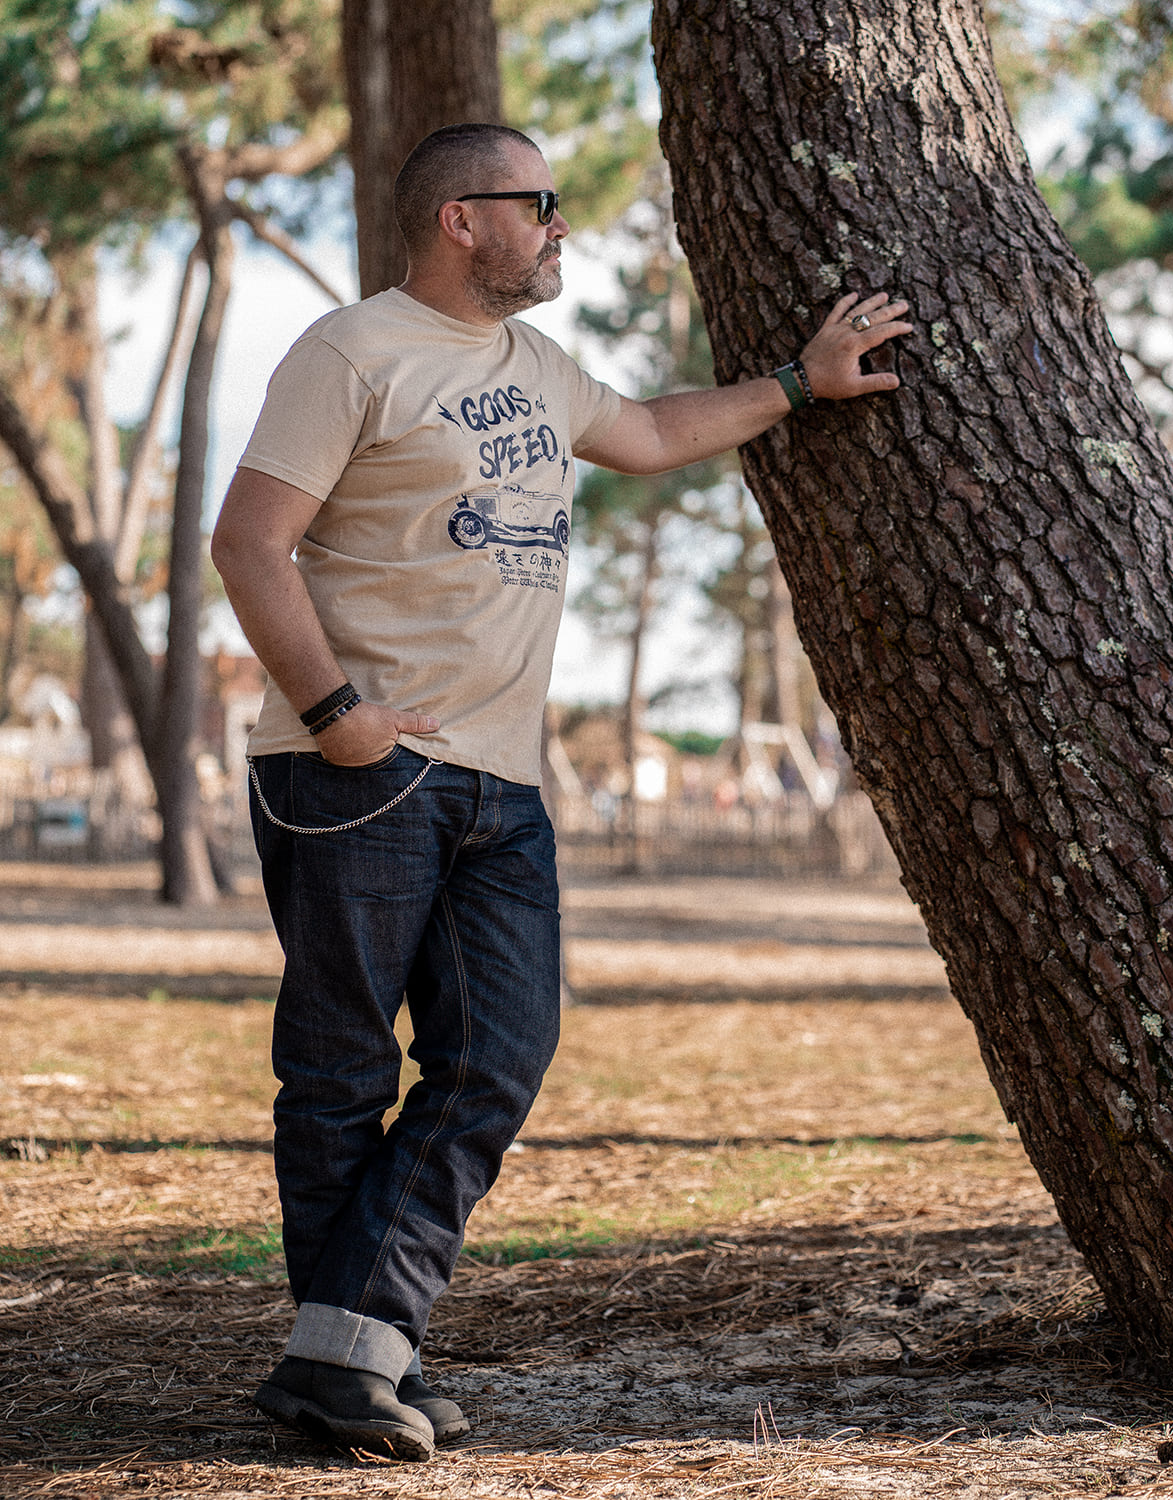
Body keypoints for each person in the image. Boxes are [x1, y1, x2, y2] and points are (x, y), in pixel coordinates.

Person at [210, 121, 911, 1462]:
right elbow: (249, 540)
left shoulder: (538, 364)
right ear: (460, 220)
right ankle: (355, 1360)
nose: (559, 225)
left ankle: (344, 1347)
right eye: (537, 204)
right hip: (357, 769)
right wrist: (339, 712)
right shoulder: (351, 351)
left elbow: (648, 433)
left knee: (500, 1052)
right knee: (342, 1070)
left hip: (501, 784)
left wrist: (798, 384)